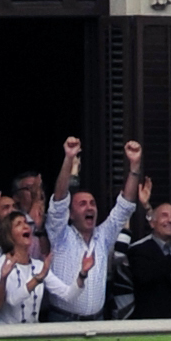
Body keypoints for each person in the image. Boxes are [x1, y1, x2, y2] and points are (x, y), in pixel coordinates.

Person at [42, 136, 142, 323]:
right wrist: (69, 158)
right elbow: (59, 201)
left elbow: (124, 207)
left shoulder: (103, 237)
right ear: (71, 214)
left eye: (92, 203)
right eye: (82, 204)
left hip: (97, 321)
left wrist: (135, 167)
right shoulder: (60, 235)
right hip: (63, 321)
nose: (89, 207)